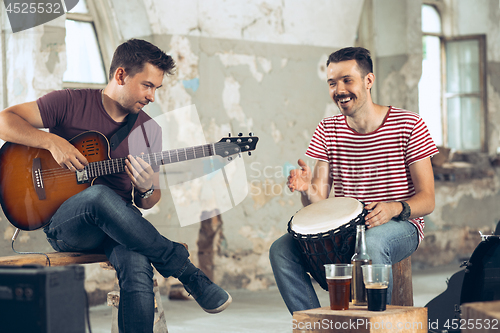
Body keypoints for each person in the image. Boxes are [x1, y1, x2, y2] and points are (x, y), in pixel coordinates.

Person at [0, 39, 231, 332]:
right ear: (121, 75)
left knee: (136, 265)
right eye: (147, 85)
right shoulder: (69, 102)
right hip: (68, 226)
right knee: (98, 195)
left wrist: (147, 188)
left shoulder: (148, 131)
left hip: (121, 227)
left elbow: (148, 201)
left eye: (157, 88)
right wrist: (51, 141)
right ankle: (186, 272)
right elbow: (3, 120)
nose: (152, 97)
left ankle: (179, 272)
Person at [269, 47, 438, 314]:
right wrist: (306, 189)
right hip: (346, 228)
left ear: (368, 81)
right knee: (281, 249)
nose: (339, 89)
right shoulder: (328, 129)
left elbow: (428, 199)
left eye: (347, 80)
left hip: (399, 224)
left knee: (372, 243)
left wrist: (394, 207)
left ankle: (376, 326)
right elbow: (319, 200)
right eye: (332, 82)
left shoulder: (409, 124)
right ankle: (317, 329)